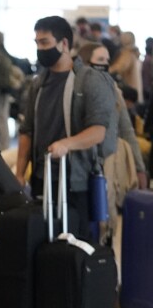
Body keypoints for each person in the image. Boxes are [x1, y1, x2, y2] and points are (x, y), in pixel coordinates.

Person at [15, 16, 116, 240]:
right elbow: (27, 130)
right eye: (37, 43)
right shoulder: (38, 84)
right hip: (43, 177)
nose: (40, 49)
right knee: (43, 242)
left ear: (64, 44)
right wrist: (20, 173)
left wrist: (66, 144)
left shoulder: (89, 80)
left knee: (74, 243)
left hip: (76, 180)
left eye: (45, 42)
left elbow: (98, 131)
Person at [78, 41, 148, 190]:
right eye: (100, 60)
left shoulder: (114, 91)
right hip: (79, 166)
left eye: (107, 61)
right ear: (85, 61)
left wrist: (140, 168)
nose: (105, 65)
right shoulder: (74, 90)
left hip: (109, 164)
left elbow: (126, 130)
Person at [110, 31, 144, 104]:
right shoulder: (135, 52)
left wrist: (106, 70)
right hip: (136, 88)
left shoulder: (127, 53)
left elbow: (119, 67)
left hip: (129, 91)